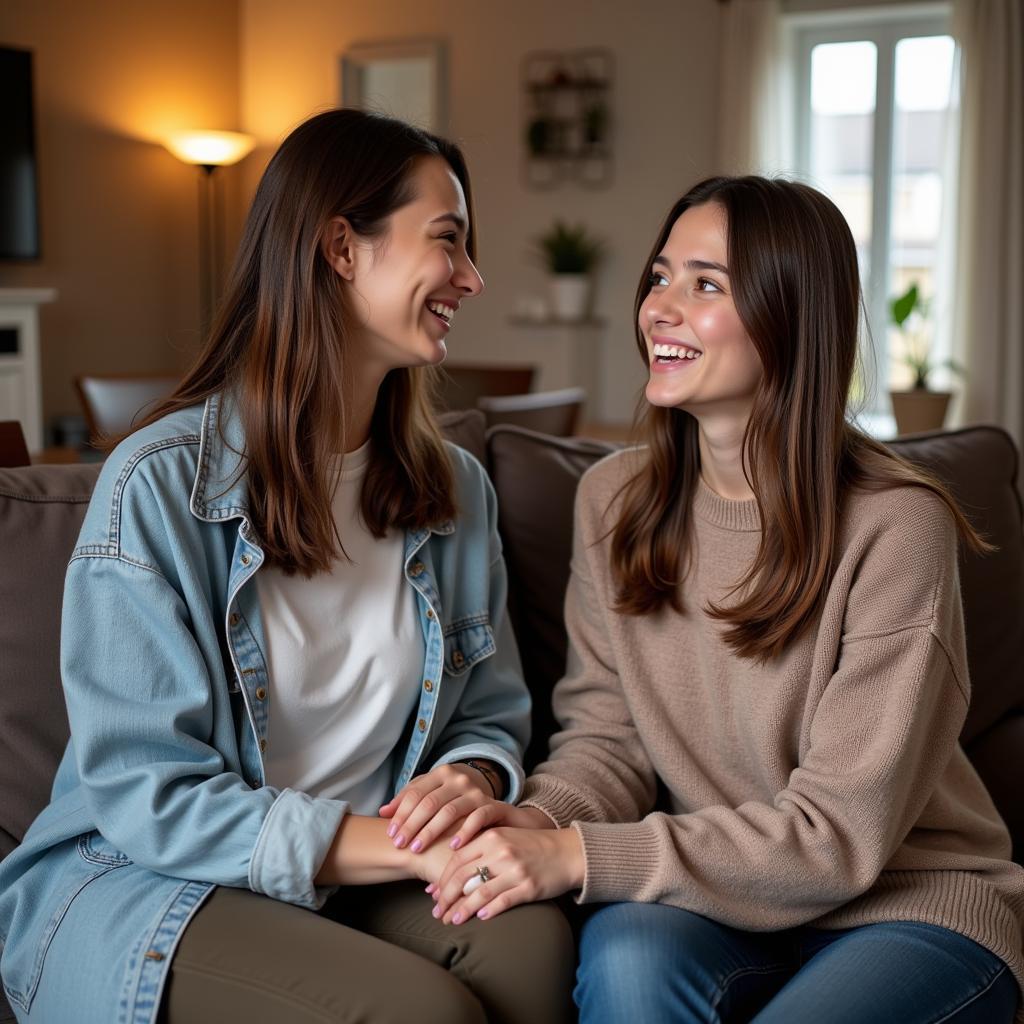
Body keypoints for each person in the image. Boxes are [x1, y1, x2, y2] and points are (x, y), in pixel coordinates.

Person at [0, 109, 573, 1024]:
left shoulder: (452, 489)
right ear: (342, 248)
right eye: (449, 241)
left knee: (534, 954)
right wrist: (397, 846)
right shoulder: (158, 489)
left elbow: (491, 709)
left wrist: (472, 778)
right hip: (154, 882)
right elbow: (149, 791)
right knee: (423, 1012)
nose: (471, 277)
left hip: (365, 866)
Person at [420, 176, 1024, 1023]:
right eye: (661, 276)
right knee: (627, 967)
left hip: (904, 904)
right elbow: (608, 740)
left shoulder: (897, 525)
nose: (660, 307)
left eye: (706, 285)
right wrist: (524, 823)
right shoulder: (612, 502)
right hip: (708, 902)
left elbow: (837, 837)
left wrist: (577, 856)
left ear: (792, 316)